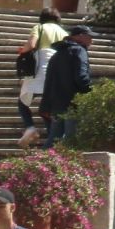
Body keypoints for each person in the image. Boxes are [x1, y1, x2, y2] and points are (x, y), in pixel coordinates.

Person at [18, 9, 67, 145]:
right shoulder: (64, 33)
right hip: (57, 71)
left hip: (40, 68)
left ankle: (30, 127)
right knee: (47, 109)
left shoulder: (40, 27)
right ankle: (53, 141)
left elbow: (31, 45)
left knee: (22, 102)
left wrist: (22, 50)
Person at [40, 23, 93, 146]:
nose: (92, 40)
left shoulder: (57, 54)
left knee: (54, 140)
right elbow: (81, 77)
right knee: (72, 140)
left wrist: (46, 105)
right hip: (73, 104)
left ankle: (41, 158)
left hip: (57, 105)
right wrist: (92, 93)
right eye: (89, 37)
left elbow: (49, 81)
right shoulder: (79, 51)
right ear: (80, 36)